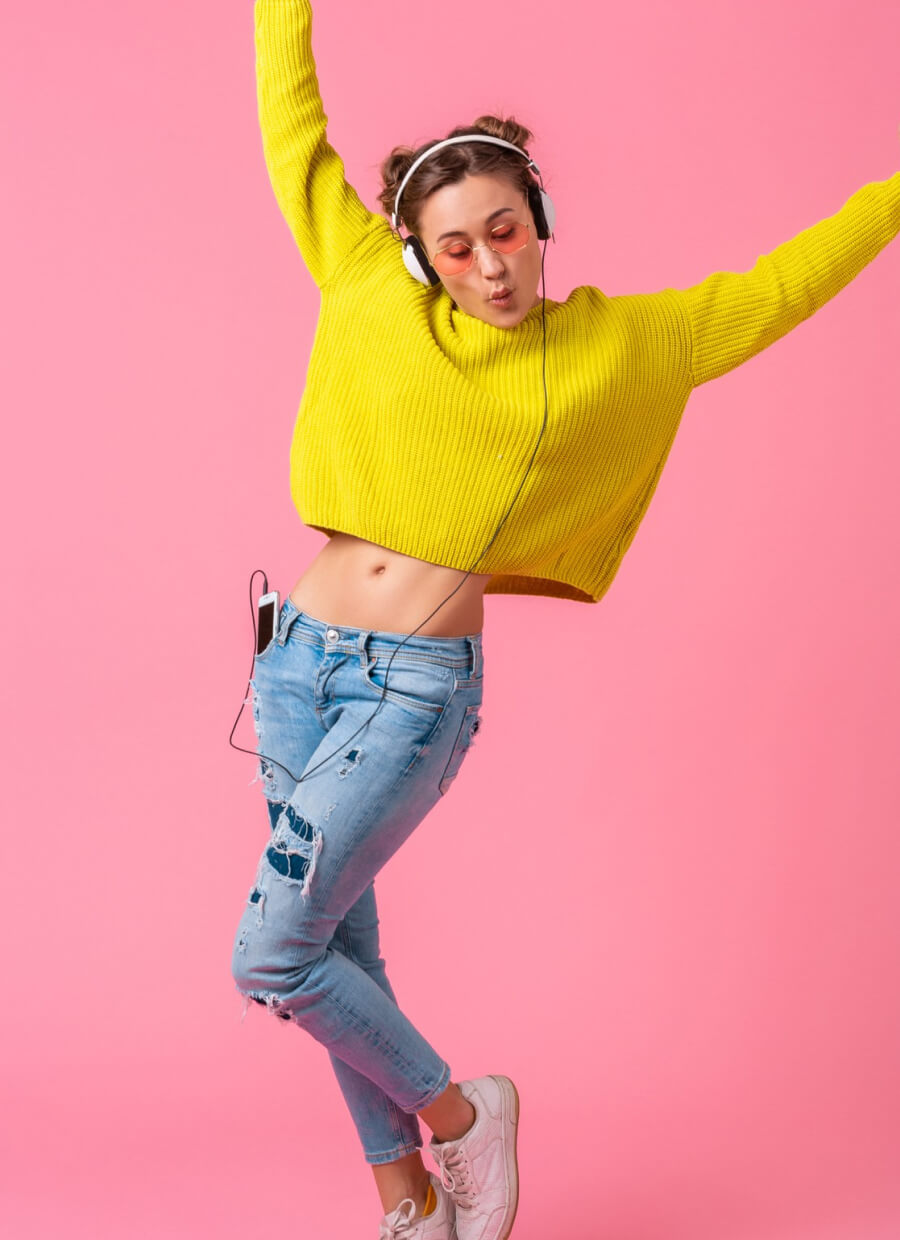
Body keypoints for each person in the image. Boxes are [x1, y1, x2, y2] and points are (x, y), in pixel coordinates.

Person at [232, 2, 900, 1237]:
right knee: (332, 946)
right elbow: (293, 125)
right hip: (292, 662)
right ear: (419, 255)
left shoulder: (625, 344)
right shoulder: (367, 283)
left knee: (272, 953)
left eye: (506, 231)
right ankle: (407, 1205)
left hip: (412, 687)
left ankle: (464, 1117)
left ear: (538, 220)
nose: (490, 266)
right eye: (457, 246)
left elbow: (783, 284)